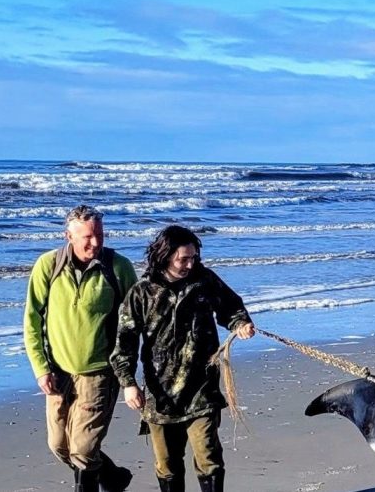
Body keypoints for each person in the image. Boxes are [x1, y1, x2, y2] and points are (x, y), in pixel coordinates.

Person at [111, 225, 255, 492]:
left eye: (194, 258)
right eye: (183, 259)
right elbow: (125, 342)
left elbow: (231, 307)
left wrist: (240, 324)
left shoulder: (205, 281)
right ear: (166, 256)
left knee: (209, 458)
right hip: (160, 394)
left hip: (202, 390)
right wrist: (128, 383)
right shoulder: (142, 292)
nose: (190, 264)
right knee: (167, 464)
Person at [23, 205, 138, 492]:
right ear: (69, 236)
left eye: (99, 234)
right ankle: (113, 478)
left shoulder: (118, 267)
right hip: (58, 373)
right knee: (59, 446)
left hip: (99, 373)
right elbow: (32, 321)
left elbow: (136, 323)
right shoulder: (48, 266)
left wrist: (129, 378)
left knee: (84, 450)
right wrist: (40, 369)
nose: (96, 242)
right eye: (87, 237)